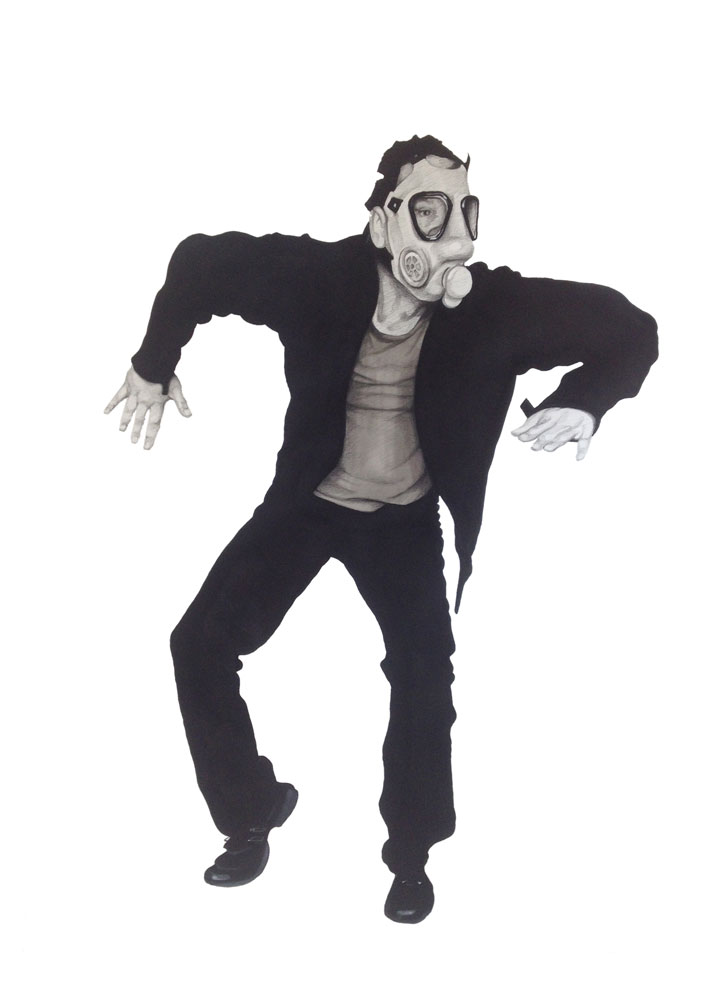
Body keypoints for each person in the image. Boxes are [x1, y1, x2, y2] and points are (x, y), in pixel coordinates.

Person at [105, 135, 658, 923]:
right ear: (382, 223)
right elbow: (200, 264)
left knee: (425, 677)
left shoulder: (493, 308)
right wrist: (154, 363)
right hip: (309, 503)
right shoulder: (318, 279)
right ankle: (251, 812)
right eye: (430, 212)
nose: (455, 236)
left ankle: (412, 854)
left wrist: (587, 398)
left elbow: (632, 329)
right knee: (198, 644)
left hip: (402, 521)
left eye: (466, 212)